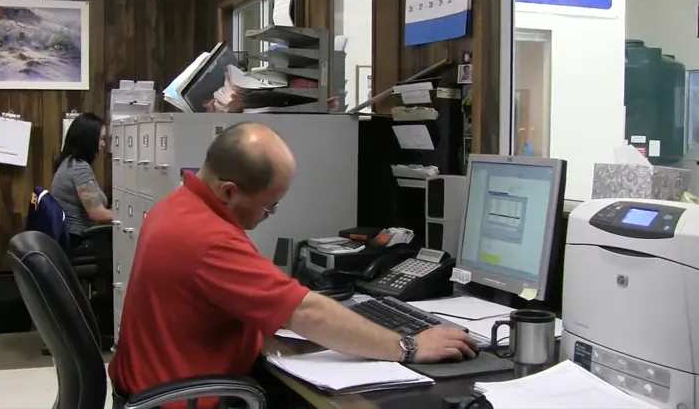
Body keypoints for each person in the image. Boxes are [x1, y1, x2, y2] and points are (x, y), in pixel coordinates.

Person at [109, 122, 477, 408]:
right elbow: (306, 312)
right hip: (187, 400)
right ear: (228, 191)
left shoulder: (176, 206)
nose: (270, 216)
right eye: (269, 206)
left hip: (159, 386)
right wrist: (409, 346)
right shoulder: (206, 237)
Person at [51, 112, 111, 248]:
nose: (103, 145)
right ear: (88, 140)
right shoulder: (79, 168)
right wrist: (130, 216)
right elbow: (97, 214)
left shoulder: (69, 162)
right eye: (100, 139)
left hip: (70, 237)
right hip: (78, 240)